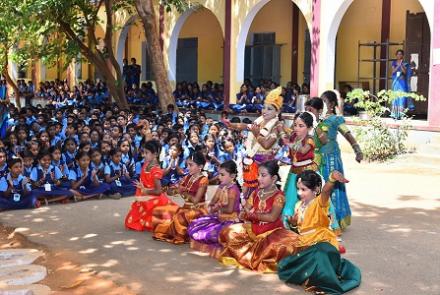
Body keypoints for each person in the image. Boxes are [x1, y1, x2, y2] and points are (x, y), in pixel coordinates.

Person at [278, 170, 361, 294]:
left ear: (316, 189)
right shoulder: (298, 205)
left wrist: (332, 178)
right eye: (298, 189)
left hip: (322, 243)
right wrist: (293, 222)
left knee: (318, 254)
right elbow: (298, 224)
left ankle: (326, 275)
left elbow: (326, 191)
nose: (299, 193)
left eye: (303, 189)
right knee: (284, 263)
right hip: (305, 243)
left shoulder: (320, 202)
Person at [218, 160, 299, 272]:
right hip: (252, 229)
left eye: (263, 175)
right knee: (227, 232)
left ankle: (257, 256)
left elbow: (272, 217)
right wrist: (243, 214)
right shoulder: (255, 193)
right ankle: (253, 254)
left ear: (274, 178)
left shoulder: (279, 196)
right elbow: (245, 209)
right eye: (258, 175)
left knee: (284, 247)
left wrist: (251, 215)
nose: (258, 178)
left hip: (271, 232)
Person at [223, 87, 283, 199]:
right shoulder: (259, 121)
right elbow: (245, 126)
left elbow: (266, 144)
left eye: (269, 109)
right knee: (248, 194)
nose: (265, 111)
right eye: (264, 108)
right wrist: (232, 125)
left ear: (277, 112)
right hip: (251, 162)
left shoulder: (277, 126)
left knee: (263, 194)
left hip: (266, 165)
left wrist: (256, 133)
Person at [320, 90, 363, 229]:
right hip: (317, 158)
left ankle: (334, 220)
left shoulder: (336, 119)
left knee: (331, 187)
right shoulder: (316, 119)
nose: (322, 104)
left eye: (324, 101)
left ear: (331, 104)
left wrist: (357, 150)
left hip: (331, 159)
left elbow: (348, 135)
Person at [153, 151, 208, 244]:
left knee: (180, 216)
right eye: (187, 165)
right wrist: (168, 190)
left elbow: (195, 200)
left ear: (200, 167)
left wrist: (183, 192)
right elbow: (174, 190)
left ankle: (180, 234)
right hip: (185, 207)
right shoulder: (187, 177)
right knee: (160, 211)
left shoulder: (203, 180)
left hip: (197, 210)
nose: (188, 167)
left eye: (191, 165)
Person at [188, 160, 241, 256]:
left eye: (222, 175)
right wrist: (211, 206)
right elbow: (214, 200)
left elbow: (230, 210)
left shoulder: (233, 190)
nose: (219, 177)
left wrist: (217, 208)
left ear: (232, 176)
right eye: (219, 174)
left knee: (210, 234)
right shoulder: (221, 186)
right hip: (218, 217)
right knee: (194, 225)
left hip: (230, 220)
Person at [279, 112, 318, 227]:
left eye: (301, 126)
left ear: (309, 128)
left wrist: (289, 144)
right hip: (294, 171)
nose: (296, 128)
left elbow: (303, 150)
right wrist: (281, 129)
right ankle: (289, 222)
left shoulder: (310, 139)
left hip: (307, 172)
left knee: (312, 199)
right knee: (290, 199)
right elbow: (285, 136)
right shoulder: (294, 137)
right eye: (295, 125)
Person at [125, 140, 170, 231]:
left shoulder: (155, 170)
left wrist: (145, 190)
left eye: (146, 153)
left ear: (155, 154)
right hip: (143, 195)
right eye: (143, 152)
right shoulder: (146, 164)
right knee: (131, 222)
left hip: (152, 196)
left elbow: (158, 191)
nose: (143, 155)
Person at [391, 49, 414, 119]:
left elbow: (404, 72)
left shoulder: (405, 63)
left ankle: (401, 115)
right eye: (398, 54)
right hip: (396, 82)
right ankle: (394, 115)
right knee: (395, 97)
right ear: (396, 55)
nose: (399, 55)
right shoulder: (393, 63)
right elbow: (393, 72)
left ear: (403, 56)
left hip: (402, 82)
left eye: (401, 54)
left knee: (402, 97)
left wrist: (401, 65)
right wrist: (398, 65)